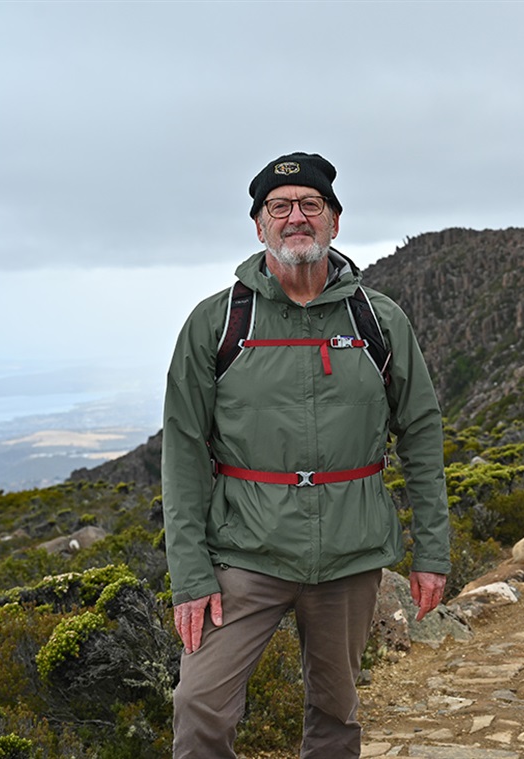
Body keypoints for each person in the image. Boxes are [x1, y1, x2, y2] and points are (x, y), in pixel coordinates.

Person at [162, 151, 450, 758]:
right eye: (280, 207)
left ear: (334, 222)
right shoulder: (217, 323)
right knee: (200, 705)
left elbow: (421, 433)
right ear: (259, 224)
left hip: (349, 555)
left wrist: (434, 552)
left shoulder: (379, 320)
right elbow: (184, 453)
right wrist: (189, 577)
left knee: (336, 712)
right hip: (244, 553)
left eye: (311, 205)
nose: (297, 217)